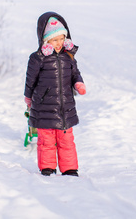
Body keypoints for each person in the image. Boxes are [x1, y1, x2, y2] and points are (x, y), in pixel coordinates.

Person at [24, 12, 86, 177]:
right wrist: (28, 98)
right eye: (54, 40)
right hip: (44, 107)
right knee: (46, 141)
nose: (59, 43)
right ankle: (47, 168)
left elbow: (75, 74)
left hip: (65, 107)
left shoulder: (68, 57)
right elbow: (30, 80)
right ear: (46, 41)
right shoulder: (38, 59)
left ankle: (69, 168)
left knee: (66, 140)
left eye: (61, 39)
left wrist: (78, 83)